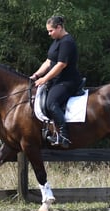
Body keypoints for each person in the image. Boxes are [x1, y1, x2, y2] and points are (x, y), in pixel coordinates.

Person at [30, 15, 81, 148]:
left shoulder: (67, 42)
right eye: (48, 31)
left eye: (51, 31)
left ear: (59, 27)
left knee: (51, 102)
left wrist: (44, 79)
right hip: (57, 81)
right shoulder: (56, 41)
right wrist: (36, 75)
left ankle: (64, 135)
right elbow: (48, 62)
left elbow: (61, 65)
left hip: (68, 81)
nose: (49, 34)